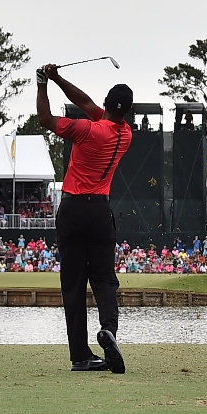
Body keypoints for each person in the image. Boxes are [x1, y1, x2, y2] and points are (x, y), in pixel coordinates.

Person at [36, 63, 132, 374]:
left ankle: (80, 354)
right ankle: (109, 331)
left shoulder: (87, 129)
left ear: (106, 104)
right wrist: (59, 77)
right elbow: (87, 102)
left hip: (73, 208)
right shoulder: (125, 134)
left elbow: (45, 119)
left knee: (73, 284)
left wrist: (43, 84)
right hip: (101, 211)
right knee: (104, 279)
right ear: (127, 112)